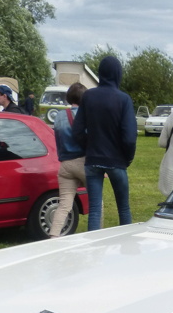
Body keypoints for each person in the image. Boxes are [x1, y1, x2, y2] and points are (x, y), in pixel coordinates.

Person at [70, 55, 136, 229]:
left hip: (93, 160)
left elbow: (76, 130)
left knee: (95, 210)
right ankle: (125, 244)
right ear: (118, 74)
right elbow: (129, 137)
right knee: (123, 208)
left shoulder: (88, 97)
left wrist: (88, 146)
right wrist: (127, 158)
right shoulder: (124, 100)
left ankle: (94, 250)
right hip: (116, 161)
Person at [49, 83, 87, 237]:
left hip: (65, 165)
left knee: (64, 205)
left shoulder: (59, 116)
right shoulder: (86, 116)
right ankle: (98, 235)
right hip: (83, 163)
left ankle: (53, 236)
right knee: (97, 202)